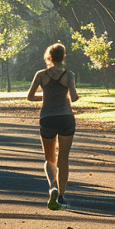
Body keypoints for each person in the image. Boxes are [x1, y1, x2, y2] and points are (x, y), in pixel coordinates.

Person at [26, 43, 79, 210]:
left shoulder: (41, 75)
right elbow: (75, 97)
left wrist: (47, 98)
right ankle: (62, 197)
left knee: (49, 159)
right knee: (63, 158)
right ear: (63, 56)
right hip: (66, 118)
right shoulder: (69, 75)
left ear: (48, 56)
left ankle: (53, 188)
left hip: (47, 118)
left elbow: (30, 97)